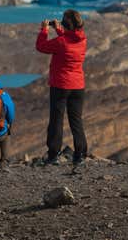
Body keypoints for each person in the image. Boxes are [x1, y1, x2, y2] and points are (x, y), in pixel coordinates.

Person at [36, 9, 88, 165]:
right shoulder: (83, 40)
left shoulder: (61, 42)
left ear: (66, 24)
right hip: (78, 86)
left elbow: (41, 46)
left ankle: (53, 155)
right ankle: (80, 154)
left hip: (60, 86)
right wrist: (60, 31)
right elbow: (68, 42)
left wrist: (44, 30)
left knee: (56, 120)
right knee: (76, 120)